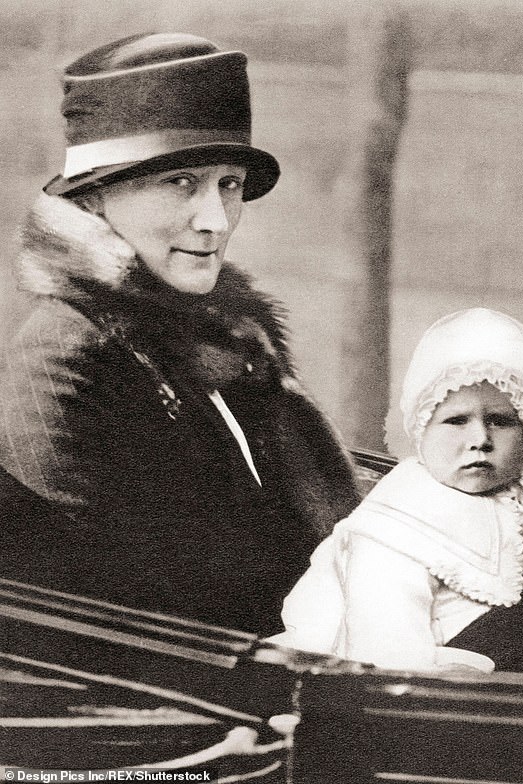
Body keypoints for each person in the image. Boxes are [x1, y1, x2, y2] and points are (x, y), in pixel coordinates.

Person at [0, 33, 360, 636]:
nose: (215, 222)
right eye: (180, 183)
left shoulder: (227, 343)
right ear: (94, 199)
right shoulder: (63, 356)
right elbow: (89, 609)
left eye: (229, 184)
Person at [275, 308, 523, 675]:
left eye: (501, 422)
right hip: (442, 663)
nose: (480, 441)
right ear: (423, 432)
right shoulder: (398, 524)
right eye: (456, 421)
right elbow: (385, 638)